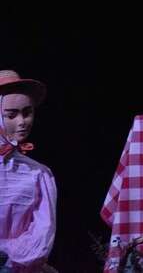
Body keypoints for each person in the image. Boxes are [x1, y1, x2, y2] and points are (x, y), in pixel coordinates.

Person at [0, 70, 57, 273]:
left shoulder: (38, 174)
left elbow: (42, 232)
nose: (22, 121)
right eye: (11, 115)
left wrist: (8, 258)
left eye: (27, 112)